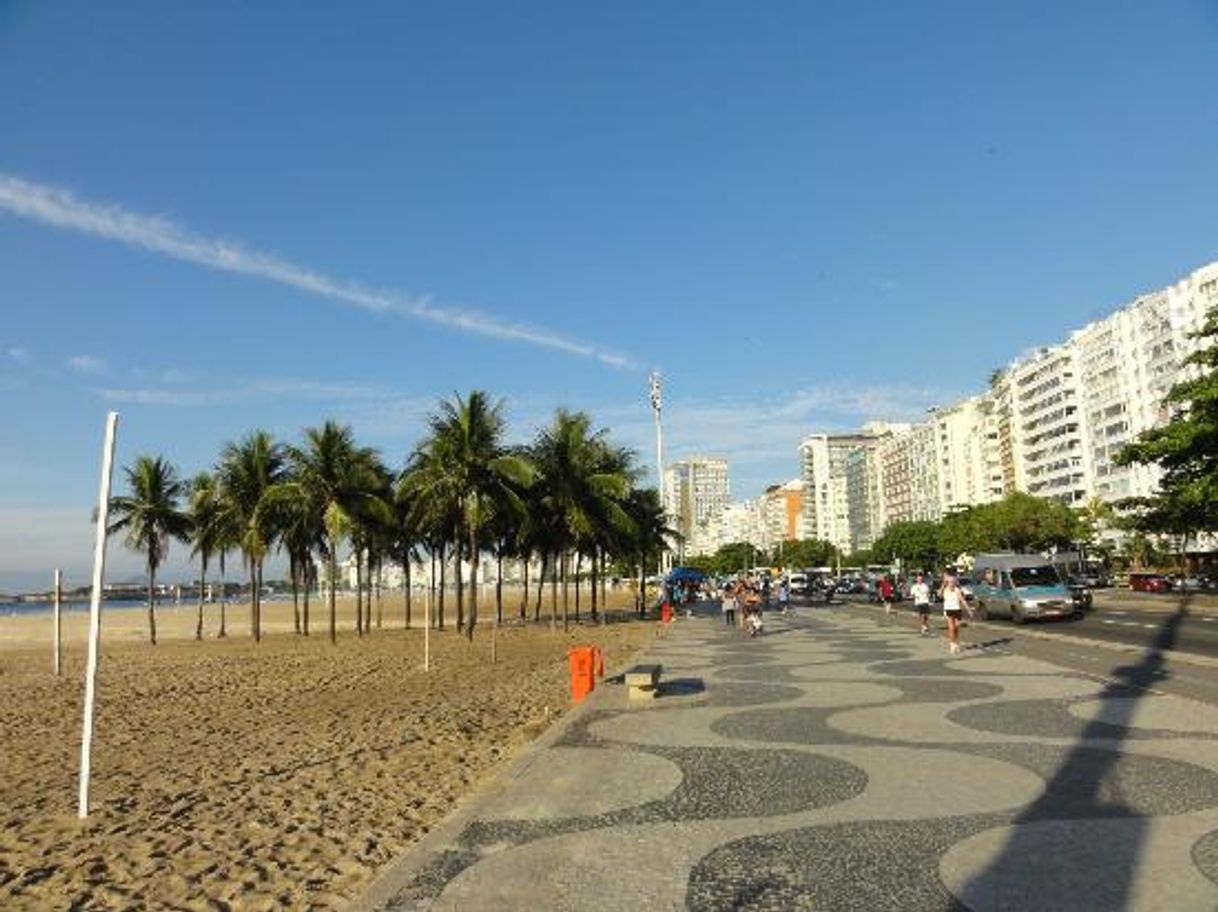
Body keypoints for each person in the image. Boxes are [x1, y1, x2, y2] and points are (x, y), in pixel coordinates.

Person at [940, 571, 968, 655]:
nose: (952, 583)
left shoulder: (957, 590)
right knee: (951, 628)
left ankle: (956, 641)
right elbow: (939, 595)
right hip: (948, 610)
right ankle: (952, 644)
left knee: (956, 627)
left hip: (957, 610)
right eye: (950, 582)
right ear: (947, 582)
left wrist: (969, 610)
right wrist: (942, 585)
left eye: (953, 582)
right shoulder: (945, 589)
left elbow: (962, 600)